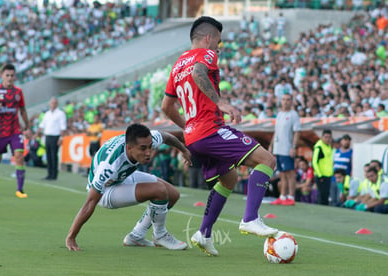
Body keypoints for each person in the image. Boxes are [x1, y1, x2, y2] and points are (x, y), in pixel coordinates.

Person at [161, 16, 278, 257]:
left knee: (228, 180)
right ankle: (251, 218)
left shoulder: (176, 65)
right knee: (267, 160)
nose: (218, 47)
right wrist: (221, 102)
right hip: (210, 129)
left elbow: (166, 107)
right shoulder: (205, 55)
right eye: (218, 42)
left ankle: (203, 233)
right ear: (208, 38)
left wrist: (187, 127)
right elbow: (198, 72)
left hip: (194, 137)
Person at [65, 123, 191, 251]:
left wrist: (184, 150)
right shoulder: (109, 166)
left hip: (123, 176)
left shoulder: (146, 139)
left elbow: (166, 136)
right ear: (129, 148)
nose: (148, 153)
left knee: (173, 195)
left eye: (150, 147)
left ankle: (136, 236)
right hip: (107, 192)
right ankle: (160, 235)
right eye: (143, 149)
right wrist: (71, 237)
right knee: (159, 190)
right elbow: (90, 202)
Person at [0, 63, 31, 198]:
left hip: (15, 131)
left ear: (15, 77)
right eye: (7, 75)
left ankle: (20, 190)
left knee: (19, 157)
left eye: (12, 76)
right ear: (2, 76)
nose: (9, 78)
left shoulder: (18, 92)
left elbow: (22, 110)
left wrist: (27, 127)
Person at [269, 93, 301, 205]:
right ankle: (282, 196)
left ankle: (291, 197)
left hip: (287, 148)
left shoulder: (294, 115)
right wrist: (271, 145)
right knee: (282, 173)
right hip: (278, 148)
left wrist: (293, 147)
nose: (285, 102)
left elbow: (297, 132)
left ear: (291, 101)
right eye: (283, 99)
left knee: (290, 173)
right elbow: (276, 131)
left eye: (288, 100)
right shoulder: (279, 114)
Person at [38, 97, 67, 181]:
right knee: (48, 155)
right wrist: (38, 133)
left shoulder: (60, 114)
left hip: (55, 136)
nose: (53, 105)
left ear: (57, 104)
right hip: (48, 135)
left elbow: (63, 127)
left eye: (54, 103)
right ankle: (49, 173)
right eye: (51, 103)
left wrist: (61, 138)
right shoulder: (47, 113)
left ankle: (54, 174)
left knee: (54, 155)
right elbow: (42, 125)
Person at [311, 129, 333, 205]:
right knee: (321, 195)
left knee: (326, 195)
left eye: (329, 137)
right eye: (326, 137)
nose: (327, 139)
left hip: (328, 174)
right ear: (322, 137)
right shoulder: (319, 147)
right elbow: (314, 162)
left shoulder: (328, 146)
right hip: (321, 175)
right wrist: (319, 175)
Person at [330, 134, 353, 206]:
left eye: (348, 141)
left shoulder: (351, 152)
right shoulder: (336, 152)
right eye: (345, 140)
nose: (347, 142)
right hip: (334, 179)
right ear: (341, 141)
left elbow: (352, 166)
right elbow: (332, 164)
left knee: (340, 199)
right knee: (333, 199)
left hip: (344, 181)